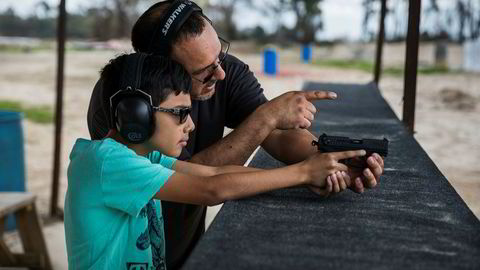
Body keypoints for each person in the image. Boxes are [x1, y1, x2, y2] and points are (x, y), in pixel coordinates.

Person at [86, 1, 385, 268]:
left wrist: (332, 161)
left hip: (181, 251)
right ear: (162, 72)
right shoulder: (122, 108)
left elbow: (275, 137)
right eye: (204, 70)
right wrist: (269, 121)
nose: (221, 73)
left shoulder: (220, 69)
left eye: (220, 55)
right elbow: (196, 187)